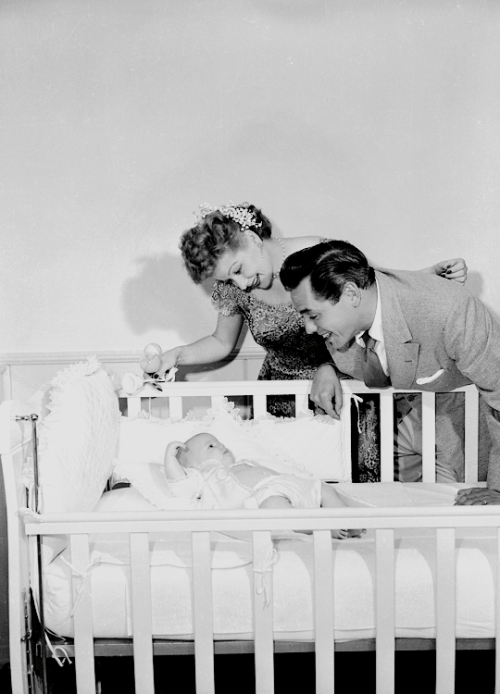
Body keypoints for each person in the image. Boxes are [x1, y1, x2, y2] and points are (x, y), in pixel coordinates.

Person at [155, 201, 466, 421]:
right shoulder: (234, 288)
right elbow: (222, 342)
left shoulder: (314, 255)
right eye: (229, 279)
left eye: (238, 269)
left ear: (252, 239)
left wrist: (427, 278)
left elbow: (371, 289)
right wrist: (177, 355)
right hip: (278, 397)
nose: (241, 284)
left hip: (345, 388)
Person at [279, 239, 500, 504]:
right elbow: (373, 360)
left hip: (468, 426)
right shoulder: (349, 318)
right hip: (406, 425)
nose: (309, 329)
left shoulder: (451, 311)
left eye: (313, 315)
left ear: (350, 294)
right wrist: (328, 368)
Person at [163, 432, 363, 538]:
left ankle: (347, 520)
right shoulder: (204, 476)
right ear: (197, 465)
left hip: (288, 485)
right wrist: (171, 458)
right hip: (267, 496)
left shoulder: (243, 463)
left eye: (218, 441)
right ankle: (323, 528)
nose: (221, 445)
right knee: (273, 507)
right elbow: (180, 485)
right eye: (211, 446)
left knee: (323, 489)